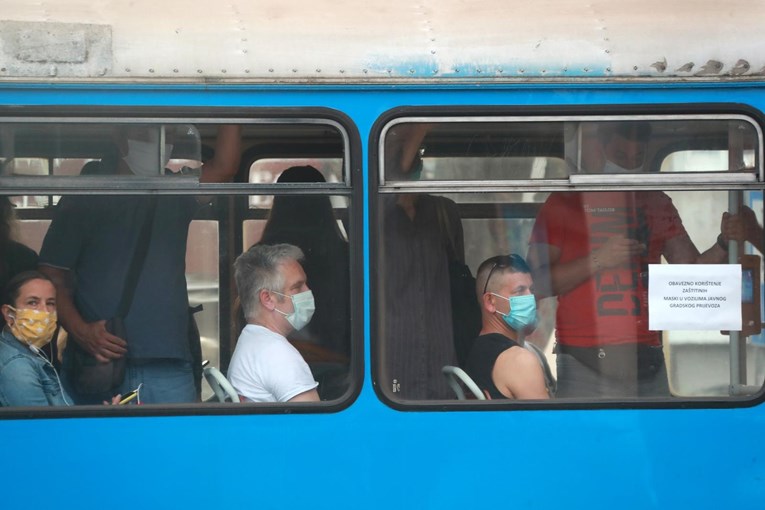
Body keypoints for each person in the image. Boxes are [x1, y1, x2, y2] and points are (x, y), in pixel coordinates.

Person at [526, 121, 747, 398]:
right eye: (621, 158)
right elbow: (536, 283)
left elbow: (691, 273)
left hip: (648, 353)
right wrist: (598, 260)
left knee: (656, 438)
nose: (629, 166)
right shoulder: (564, 204)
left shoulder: (656, 202)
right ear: (600, 150)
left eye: (636, 158)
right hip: (583, 357)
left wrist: (724, 242)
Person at [38, 124, 241, 404]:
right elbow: (52, 276)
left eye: (169, 135)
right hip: (99, 362)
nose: (162, 143)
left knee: (174, 444)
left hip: (166, 362)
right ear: (119, 137)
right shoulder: (85, 195)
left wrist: (229, 92)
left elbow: (224, 167)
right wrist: (81, 331)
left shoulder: (175, 190)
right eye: (148, 134)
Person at [380, 124, 465, 400]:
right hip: (392, 358)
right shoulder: (374, 212)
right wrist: (419, 126)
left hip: (441, 352)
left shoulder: (443, 212)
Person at [255, 165, 350, 399]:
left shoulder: (258, 259)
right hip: (344, 374)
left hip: (271, 371)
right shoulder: (346, 256)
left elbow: (246, 324)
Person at [227, 243, 320, 403]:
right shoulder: (279, 356)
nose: (308, 292)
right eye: (297, 287)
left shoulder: (251, 340)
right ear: (268, 299)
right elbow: (313, 425)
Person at [464, 255, 550, 400]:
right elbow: (547, 421)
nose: (531, 298)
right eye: (520, 291)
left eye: (532, 290)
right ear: (491, 301)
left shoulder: (478, 349)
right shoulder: (519, 360)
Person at [0, 271, 70, 406]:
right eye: (33, 302)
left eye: (50, 303)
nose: (44, 311)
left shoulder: (31, 354)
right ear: (9, 314)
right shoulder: (16, 367)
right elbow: (42, 426)